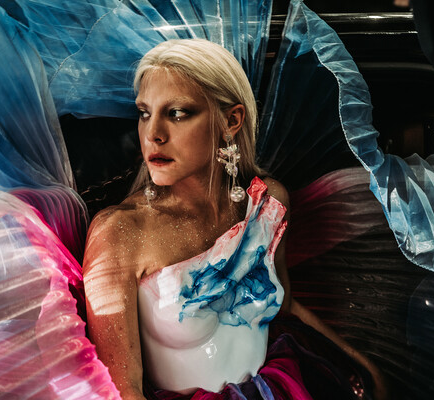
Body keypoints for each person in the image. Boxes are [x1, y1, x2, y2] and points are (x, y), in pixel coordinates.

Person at [83, 39, 387, 400]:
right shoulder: (120, 232)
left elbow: (284, 307)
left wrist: (359, 364)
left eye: (177, 113)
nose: (153, 134)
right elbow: (122, 389)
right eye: (145, 113)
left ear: (231, 120)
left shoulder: (267, 203)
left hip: (280, 386)